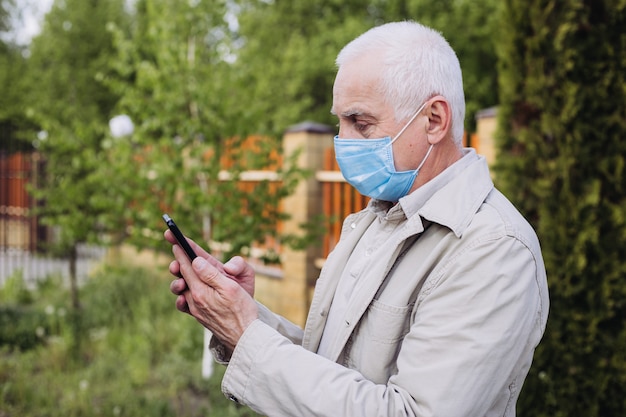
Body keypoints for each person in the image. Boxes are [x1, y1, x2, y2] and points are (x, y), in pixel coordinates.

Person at [165, 21, 549, 417]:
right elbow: (332, 367)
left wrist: (247, 336)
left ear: (434, 120)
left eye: (360, 123)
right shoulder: (379, 217)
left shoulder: (492, 249)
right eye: (339, 123)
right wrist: (244, 317)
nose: (342, 142)